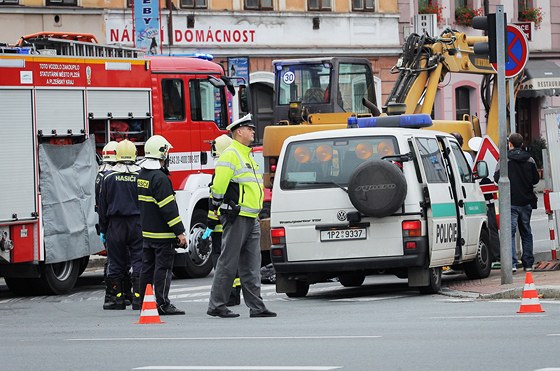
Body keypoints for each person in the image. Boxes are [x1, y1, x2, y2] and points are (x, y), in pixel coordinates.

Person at [207, 113, 277, 318]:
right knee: (228, 262)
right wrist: (218, 207)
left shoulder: (245, 154)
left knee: (252, 264)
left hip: (251, 216)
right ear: (239, 132)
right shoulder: (230, 154)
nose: (253, 131)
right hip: (237, 217)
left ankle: (257, 306)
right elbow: (218, 186)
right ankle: (217, 305)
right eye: (250, 129)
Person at [137, 135, 187, 315]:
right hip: (162, 236)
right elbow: (169, 210)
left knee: (147, 268)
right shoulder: (160, 178)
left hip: (148, 234)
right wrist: (180, 232)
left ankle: (143, 300)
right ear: (162, 154)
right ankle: (162, 303)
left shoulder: (142, 174)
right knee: (163, 269)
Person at [98, 140, 143, 310]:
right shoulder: (140, 175)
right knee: (139, 259)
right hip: (137, 223)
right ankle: (139, 299)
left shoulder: (108, 177)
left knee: (116, 262)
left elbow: (102, 206)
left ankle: (115, 299)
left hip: (115, 225)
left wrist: (103, 228)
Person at [202, 134, 241, 306]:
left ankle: (226, 296)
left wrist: (209, 226)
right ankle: (234, 295)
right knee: (234, 260)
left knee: (221, 262)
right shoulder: (237, 172)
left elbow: (214, 202)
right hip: (233, 223)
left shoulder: (221, 172)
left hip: (220, 227)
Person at [493, 133, 540, 273]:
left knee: (509, 233)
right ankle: (528, 264)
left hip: (510, 202)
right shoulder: (530, 160)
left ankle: (512, 264)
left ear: (510, 144)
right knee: (526, 232)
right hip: (526, 202)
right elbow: (536, 180)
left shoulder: (504, 160)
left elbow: (497, 178)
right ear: (522, 144)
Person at [95, 141, 118, 309]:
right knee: (118, 261)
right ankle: (118, 294)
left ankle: (113, 295)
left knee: (114, 260)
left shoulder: (100, 174)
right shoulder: (111, 176)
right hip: (114, 223)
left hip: (107, 222)